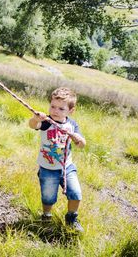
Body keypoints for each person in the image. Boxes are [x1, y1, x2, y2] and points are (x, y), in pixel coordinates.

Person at [28, 87, 87, 232]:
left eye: (61, 109)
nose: (55, 111)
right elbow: (33, 125)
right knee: (48, 197)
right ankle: (46, 215)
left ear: (70, 111)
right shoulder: (47, 122)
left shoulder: (72, 125)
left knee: (76, 193)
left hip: (67, 166)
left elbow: (81, 145)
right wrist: (36, 119)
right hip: (48, 168)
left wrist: (79, 139)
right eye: (53, 106)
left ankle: (71, 218)